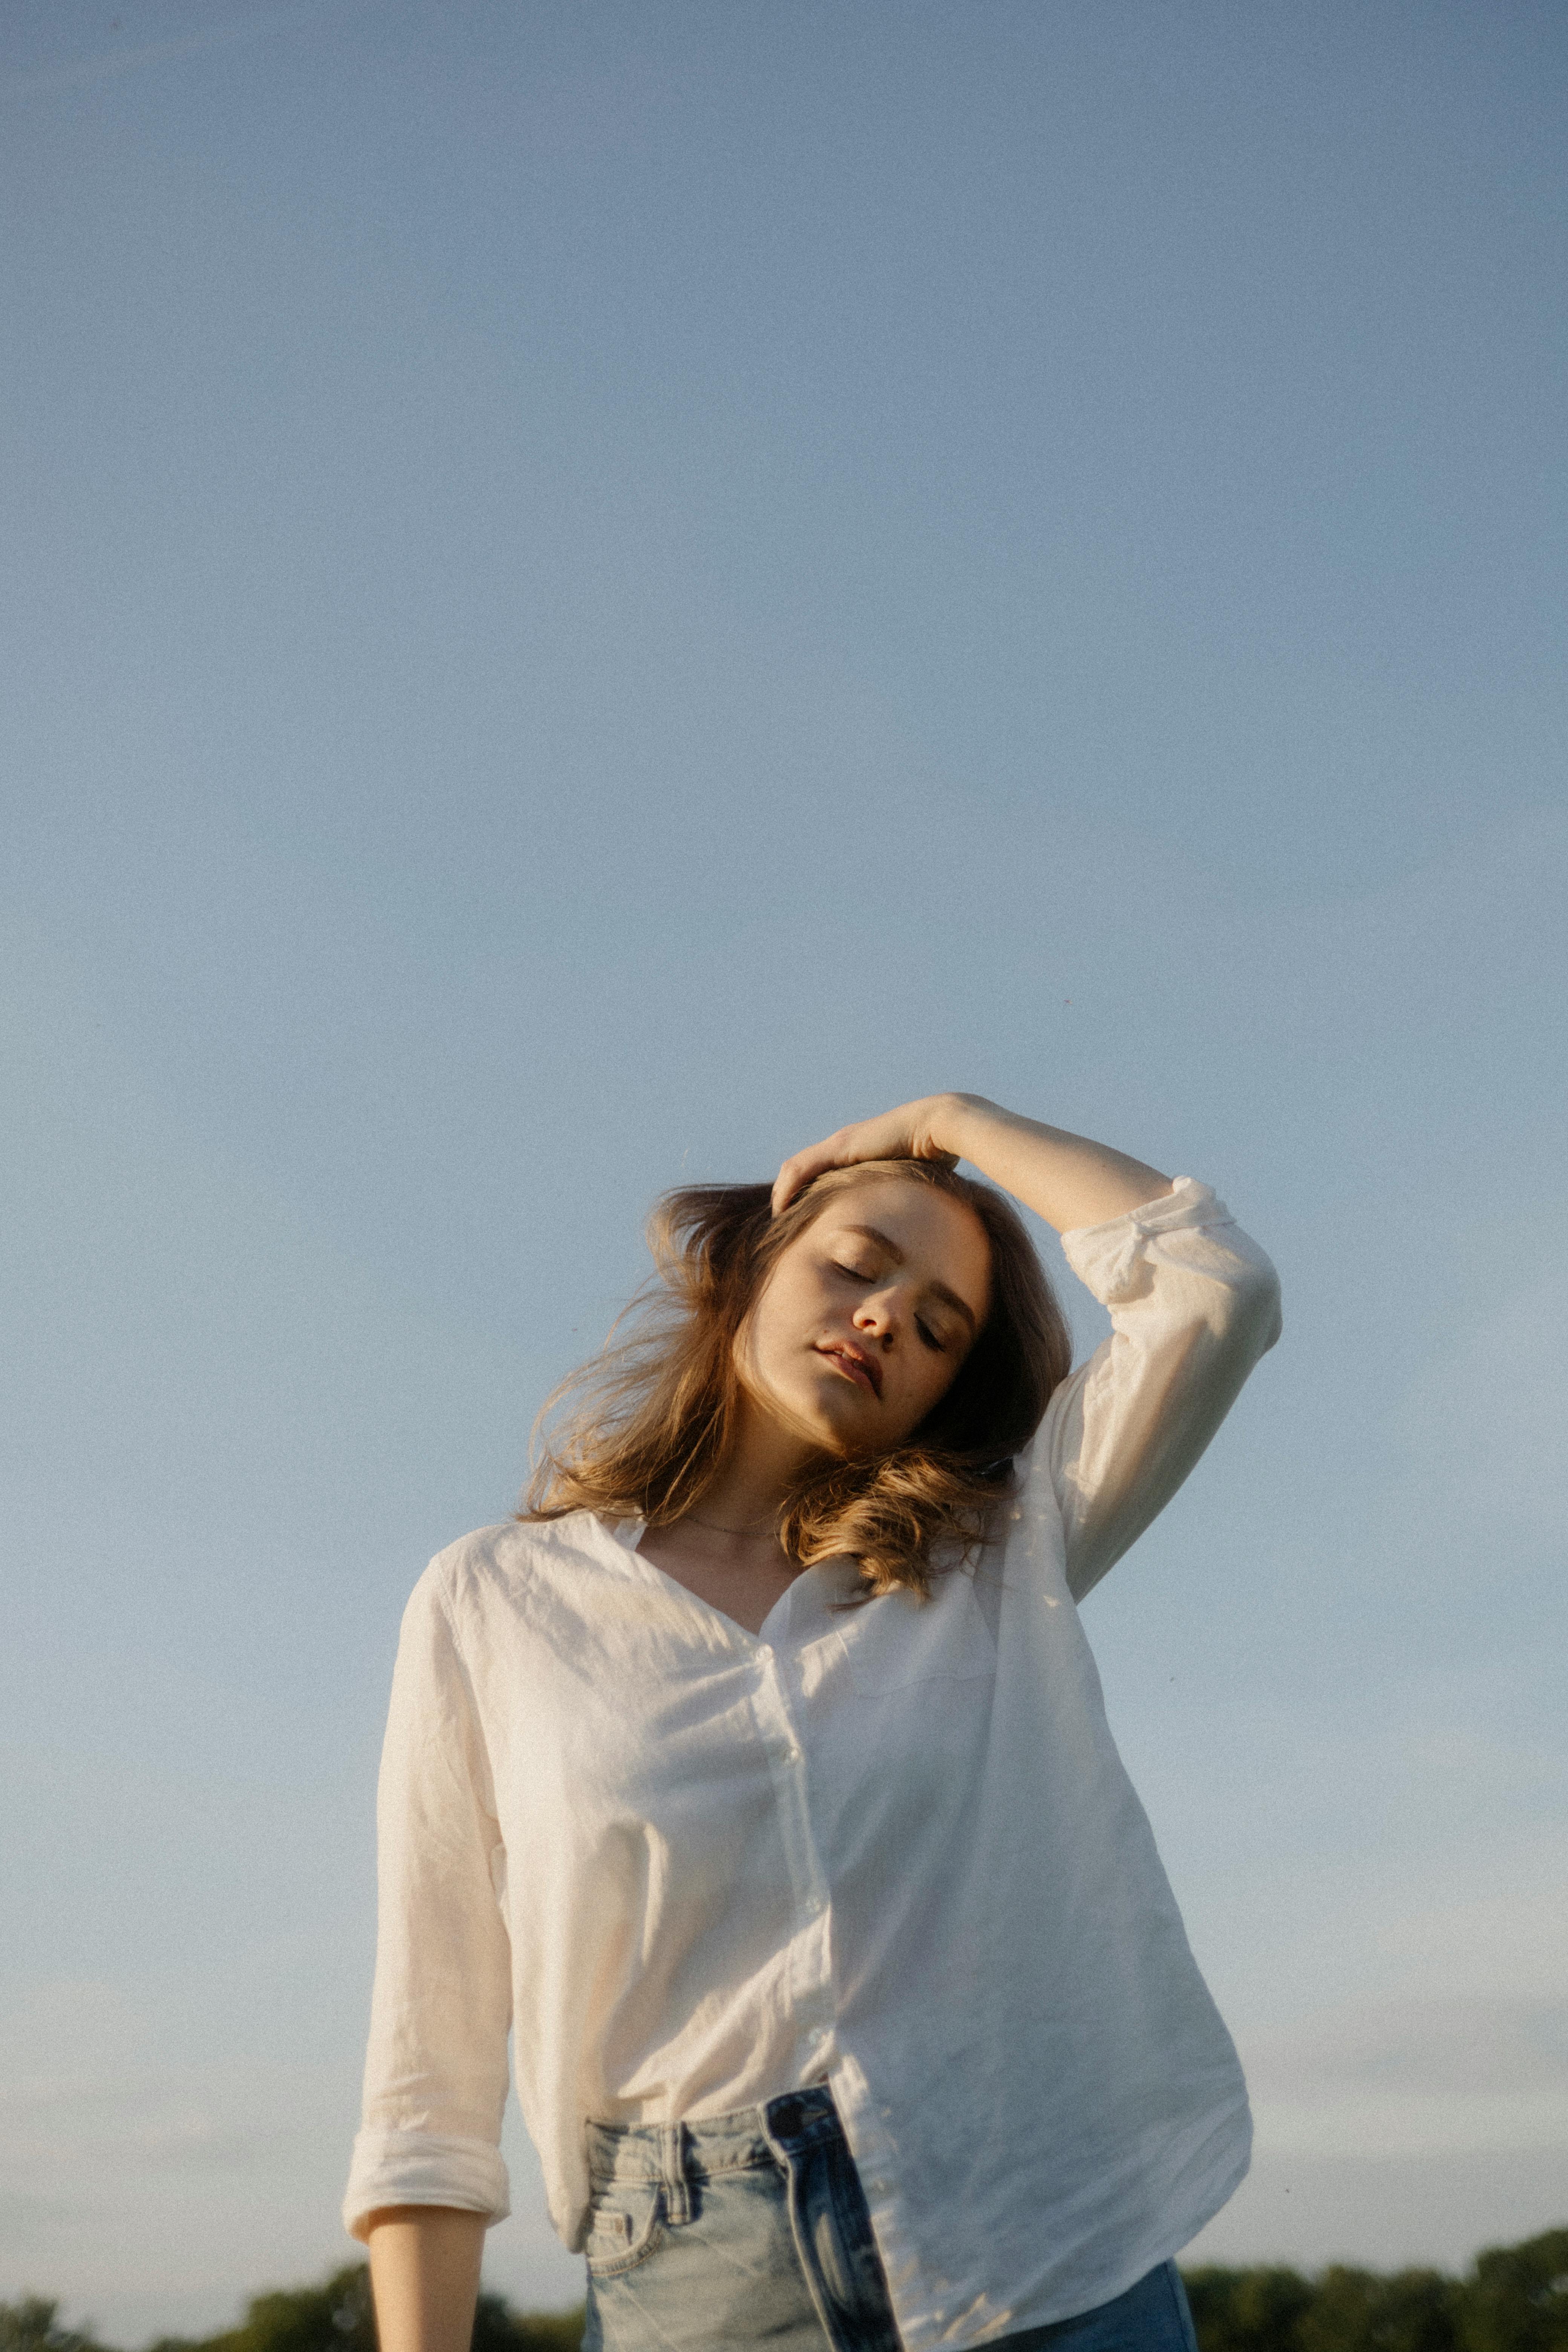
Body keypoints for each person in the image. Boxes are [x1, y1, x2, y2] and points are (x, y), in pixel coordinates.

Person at [343, 1093, 1282, 2352]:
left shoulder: (1003, 1558)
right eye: (856, 1266)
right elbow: (429, 2075)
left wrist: (951, 1120)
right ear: (748, 1267)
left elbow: (1213, 1289)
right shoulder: (496, 1602)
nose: (889, 1315)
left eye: (941, 1327)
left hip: (1047, 2258)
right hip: (700, 2285)